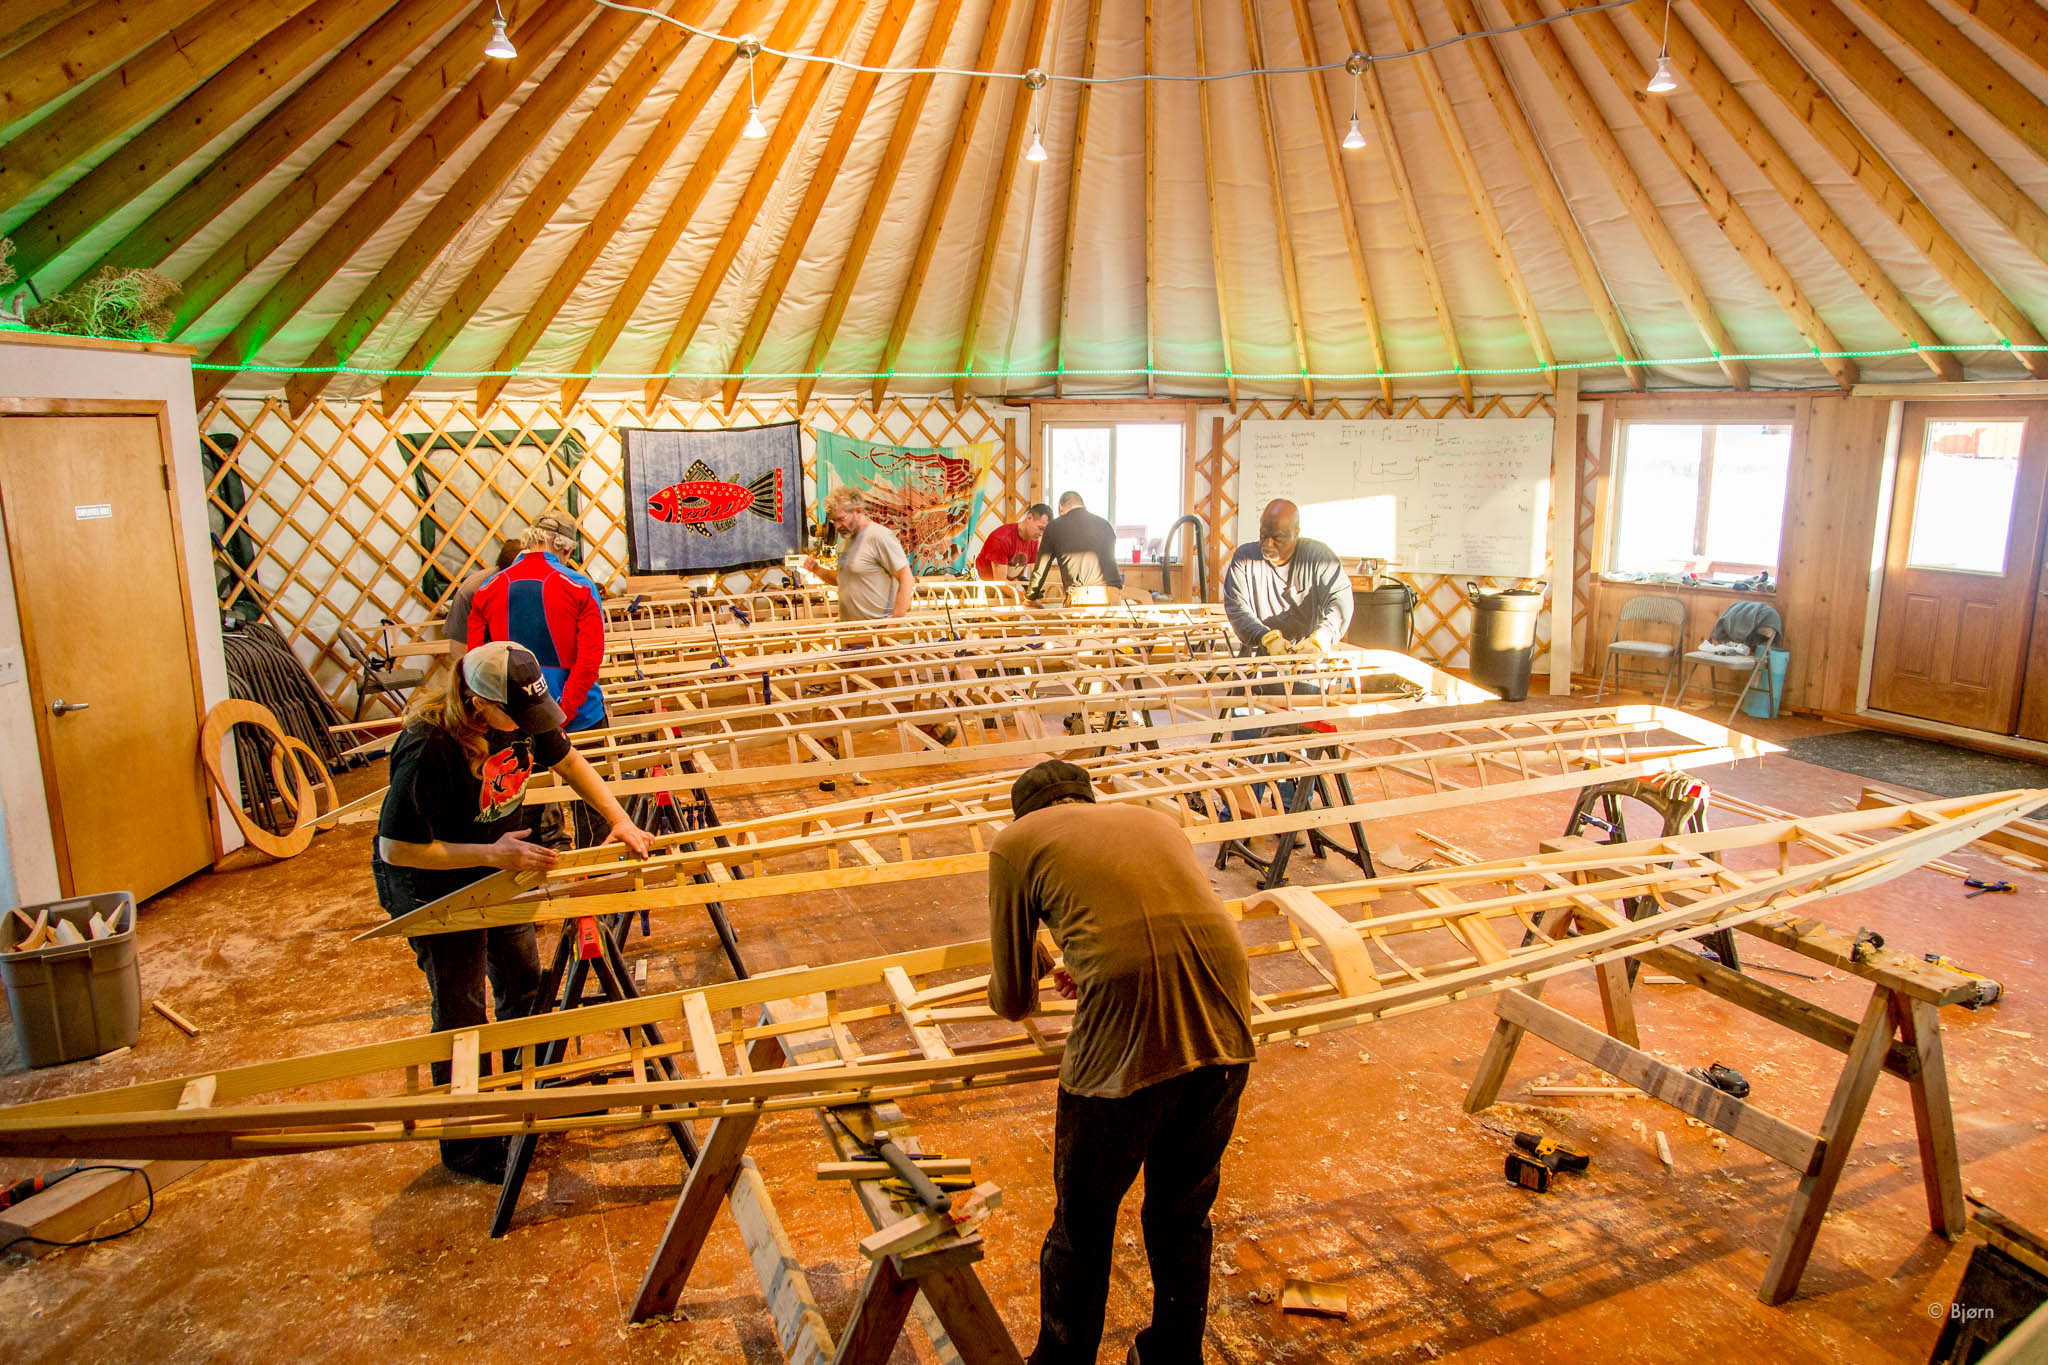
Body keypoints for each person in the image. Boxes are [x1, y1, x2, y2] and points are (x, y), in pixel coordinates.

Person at [988, 760, 1255, 1365]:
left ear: (1025, 814)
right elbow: (1158, 921)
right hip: (1225, 1024)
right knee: (1182, 1215)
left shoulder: (1015, 844)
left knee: (1082, 1228)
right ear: (1088, 798)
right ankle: (1174, 1357)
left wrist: (1030, 961)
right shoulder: (1151, 820)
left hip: (1124, 1055)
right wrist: (1088, 960)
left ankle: (1062, 1363)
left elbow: (1011, 1001)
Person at [374, 640, 652, 1182]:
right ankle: (467, 1143)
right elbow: (395, 848)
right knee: (461, 1010)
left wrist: (618, 817)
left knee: (524, 982)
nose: (527, 725)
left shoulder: (520, 712)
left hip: (498, 865)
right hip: (431, 880)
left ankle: (527, 1097)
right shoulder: (429, 744)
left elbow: (568, 759)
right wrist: (490, 853)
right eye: (515, 716)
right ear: (478, 703)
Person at [1222, 498, 1351, 656]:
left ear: (1295, 534)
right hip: (1258, 660)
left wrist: (1323, 636)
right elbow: (1237, 609)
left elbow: (1340, 601)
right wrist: (1267, 638)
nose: (1268, 544)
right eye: (1264, 536)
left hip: (1307, 656)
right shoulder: (1245, 559)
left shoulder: (1319, 558)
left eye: (1277, 538)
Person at [805, 485, 915, 622]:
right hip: (851, 631)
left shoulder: (879, 536)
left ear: (858, 511)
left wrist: (895, 623)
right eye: (834, 521)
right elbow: (842, 579)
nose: (837, 526)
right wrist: (817, 569)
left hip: (877, 629)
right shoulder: (847, 539)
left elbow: (906, 578)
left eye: (841, 519)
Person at [1026, 492, 1124, 604]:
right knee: (1109, 622)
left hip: (1082, 596)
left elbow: (1041, 568)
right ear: (1082, 505)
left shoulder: (1054, 527)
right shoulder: (1105, 525)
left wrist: (1030, 597)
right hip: (1113, 595)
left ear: (1061, 508)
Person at [441, 539, 523, 655]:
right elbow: (459, 646)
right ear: (504, 572)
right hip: (486, 659)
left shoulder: (540, 583)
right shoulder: (472, 590)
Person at [975, 503, 1052, 582]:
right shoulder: (1001, 539)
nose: (1041, 534)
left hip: (1005, 588)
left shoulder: (1033, 541)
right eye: (1040, 528)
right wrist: (1021, 594)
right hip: (982, 587)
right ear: (1029, 517)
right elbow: (1000, 582)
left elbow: (1019, 574)